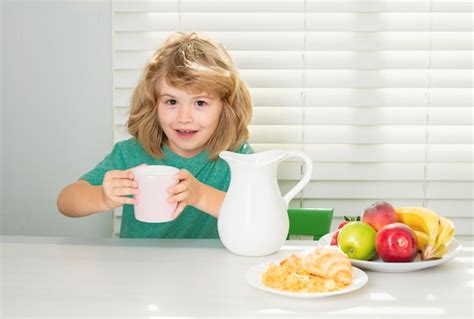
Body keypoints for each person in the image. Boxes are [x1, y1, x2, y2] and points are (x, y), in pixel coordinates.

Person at [57, 32, 253, 238]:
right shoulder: (131, 153)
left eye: (200, 103)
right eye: (171, 102)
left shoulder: (238, 158)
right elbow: (66, 201)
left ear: (226, 108)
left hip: (211, 268)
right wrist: (103, 197)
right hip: (139, 266)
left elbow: (258, 216)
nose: (184, 117)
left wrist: (201, 195)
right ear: (154, 105)